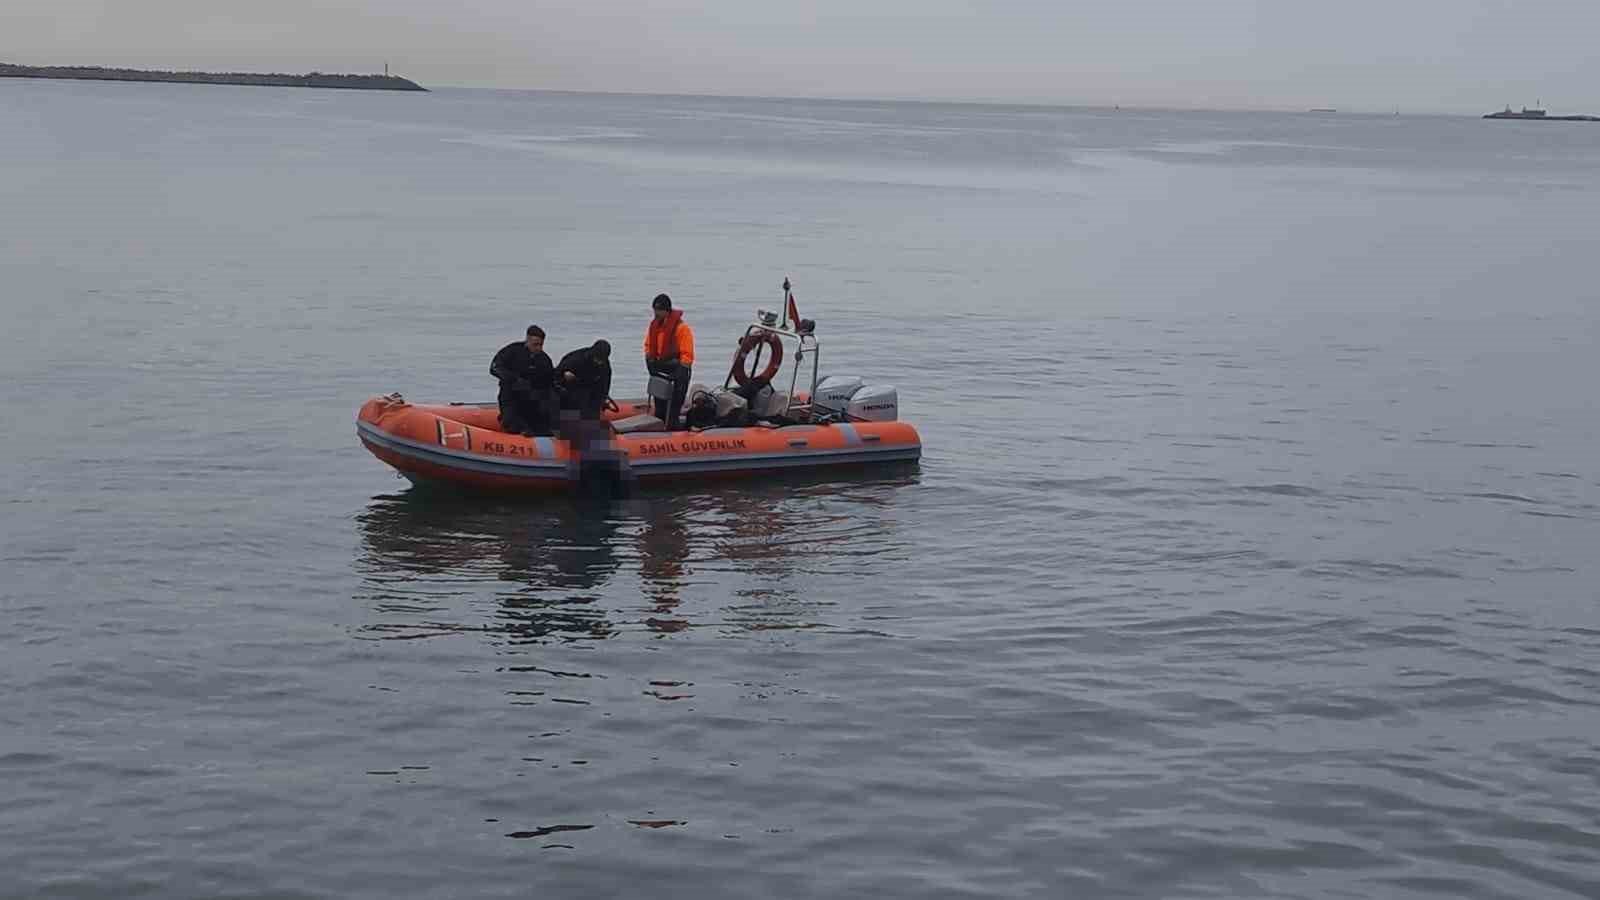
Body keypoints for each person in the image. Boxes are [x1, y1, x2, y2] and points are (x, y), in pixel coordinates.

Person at [489, 325, 555, 436]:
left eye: (541, 345)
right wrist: (513, 379)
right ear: (527, 340)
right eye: (535, 345)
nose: (538, 348)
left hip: (531, 398)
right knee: (511, 422)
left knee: (544, 423)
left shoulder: (544, 359)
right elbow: (494, 368)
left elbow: (548, 382)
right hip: (510, 395)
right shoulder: (512, 351)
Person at [643, 293, 695, 429]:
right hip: (661, 369)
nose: (656, 314)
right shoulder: (654, 326)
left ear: (666, 311)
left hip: (677, 371)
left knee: (673, 411)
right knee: (660, 408)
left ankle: (674, 430)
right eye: (654, 310)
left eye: (658, 311)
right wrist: (649, 361)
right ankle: (658, 431)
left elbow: (687, 355)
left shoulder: (682, 329)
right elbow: (648, 346)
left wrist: (680, 370)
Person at [555, 340, 613, 421]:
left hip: (590, 391)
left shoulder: (605, 366)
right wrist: (564, 376)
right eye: (597, 359)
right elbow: (556, 375)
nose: (599, 362)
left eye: (601, 361)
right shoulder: (575, 359)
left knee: (592, 408)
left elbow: (604, 387)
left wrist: (601, 402)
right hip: (570, 390)